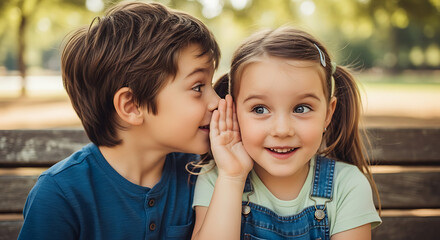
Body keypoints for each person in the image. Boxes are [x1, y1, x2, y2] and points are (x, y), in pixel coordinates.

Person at [18, 1, 220, 239]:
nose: (217, 101)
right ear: (132, 106)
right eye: (198, 87)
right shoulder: (60, 194)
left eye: (212, 84)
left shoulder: (201, 173)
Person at [191, 26, 381, 240]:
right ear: (233, 113)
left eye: (301, 108)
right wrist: (232, 177)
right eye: (260, 109)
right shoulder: (217, 179)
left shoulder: (347, 185)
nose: (282, 130)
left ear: (328, 114)